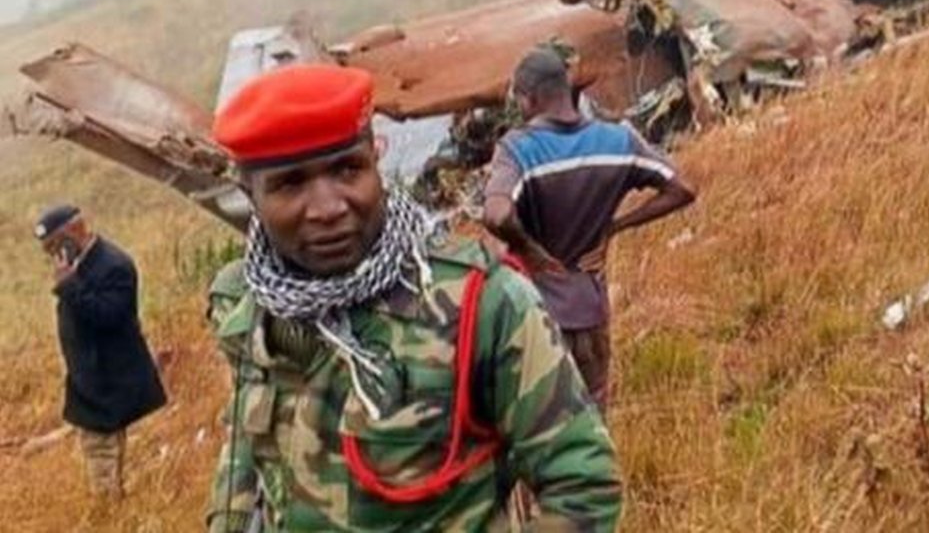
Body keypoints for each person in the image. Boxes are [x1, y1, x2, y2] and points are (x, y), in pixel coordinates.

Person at [205, 64, 620, 532]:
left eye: (348, 169)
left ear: (375, 160)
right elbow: (245, 445)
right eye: (290, 184)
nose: (328, 208)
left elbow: (582, 485)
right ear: (250, 195)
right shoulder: (246, 304)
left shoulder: (481, 303)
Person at [483, 49, 697, 413]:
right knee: (593, 419)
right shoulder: (618, 141)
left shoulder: (518, 149)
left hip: (532, 314)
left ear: (527, 98)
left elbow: (497, 215)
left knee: (537, 424)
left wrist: (531, 251)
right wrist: (613, 227)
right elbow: (683, 189)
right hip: (591, 307)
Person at [34, 204, 167, 500]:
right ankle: (111, 504)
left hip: (107, 379)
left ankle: (107, 512)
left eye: (55, 244)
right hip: (90, 376)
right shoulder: (79, 263)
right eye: (47, 250)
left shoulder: (114, 265)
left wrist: (69, 286)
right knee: (102, 448)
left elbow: (109, 316)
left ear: (74, 231)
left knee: (101, 452)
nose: (53, 254)